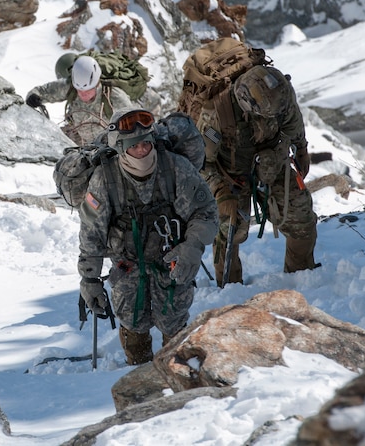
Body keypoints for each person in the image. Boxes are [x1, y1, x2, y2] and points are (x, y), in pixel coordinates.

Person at [77, 108, 218, 364]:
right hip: (126, 266)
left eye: (145, 143)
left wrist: (191, 248)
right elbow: (92, 231)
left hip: (173, 260)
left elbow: (205, 212)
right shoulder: (105, 178)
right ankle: (135, 372)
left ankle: (177, 371)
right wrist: (89, 278)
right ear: (121, 148)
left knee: (174, 322)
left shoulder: (176, 167)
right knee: (132, 321)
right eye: (134, 146)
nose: (142, 150)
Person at [197, 58, 317, 285]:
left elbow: (293, 120)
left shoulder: (280, 93)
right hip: (230, 174)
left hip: (273, 162)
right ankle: (229, 287)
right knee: (230, 230)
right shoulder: (216, 115)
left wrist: (301, 148)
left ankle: (303, 278)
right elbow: (202, 163)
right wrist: (220, 191)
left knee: (301, 218)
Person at [25, 53, 133, 145]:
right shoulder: (69, 86)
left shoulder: (115, 97)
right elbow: (42, 91)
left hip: (111, 147)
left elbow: (134, 124)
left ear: (96, 84)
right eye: (79, 90)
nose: (83, 94)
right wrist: (33, 96)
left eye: (88, 90)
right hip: (83, 144)